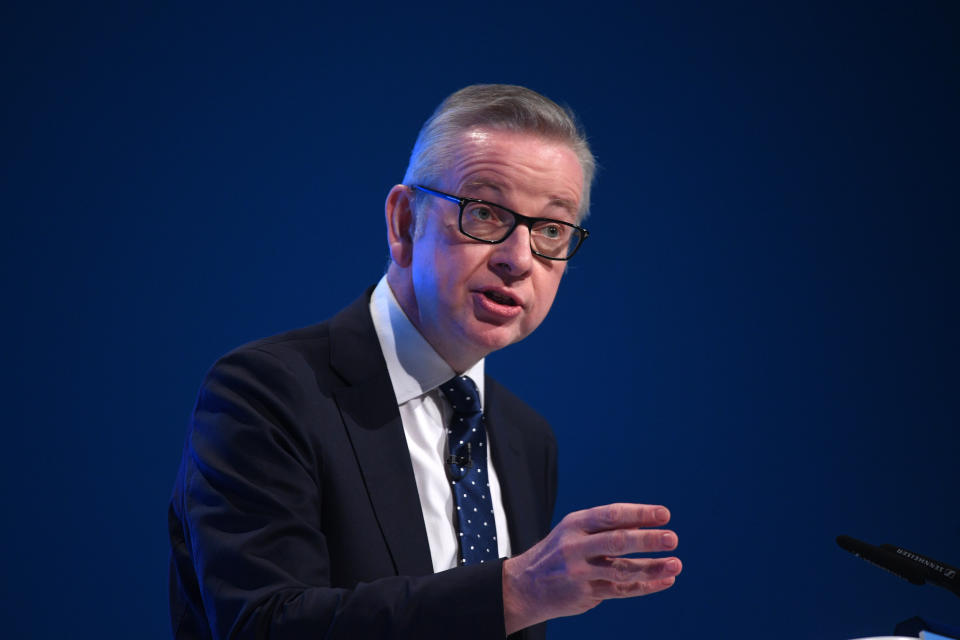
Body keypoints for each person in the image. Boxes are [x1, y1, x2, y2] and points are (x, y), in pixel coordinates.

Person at [168, 84, 682, 640]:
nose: (518, 259)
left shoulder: (528, 441)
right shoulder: (265, 394)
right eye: (485, 213)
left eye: (550, 230)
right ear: (404, 223)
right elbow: (261, 626)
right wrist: (514, 591)